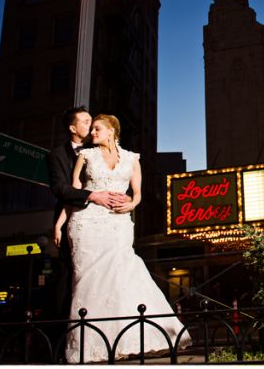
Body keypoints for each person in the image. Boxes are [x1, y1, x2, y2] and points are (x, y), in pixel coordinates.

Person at [64, 114, 191, 362]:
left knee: (124, 274)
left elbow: (138, 194)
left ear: (112, 131)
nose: (93, 133)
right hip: (87, 222)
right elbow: (74, 192)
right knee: (91, 279)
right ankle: (91, 344)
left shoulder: (133, 159)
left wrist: (130, 204)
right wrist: (63, 223)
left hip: (119, 222)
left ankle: (132, 337)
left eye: (97, 129)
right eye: (92, 130)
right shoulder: (85, 156)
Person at [47, 107, 131, 322]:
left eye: (93, 122)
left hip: (107, 221)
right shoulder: (57, 154)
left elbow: (119, 179)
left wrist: (128, 199)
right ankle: (60, 337)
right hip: (77, 220)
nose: (91, 126)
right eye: (85, 122)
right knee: (69, 276)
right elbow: (60, 189)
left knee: (108, 275)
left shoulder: (101, 147)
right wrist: (92, 196)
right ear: (73, 128)